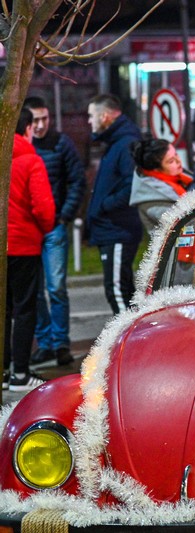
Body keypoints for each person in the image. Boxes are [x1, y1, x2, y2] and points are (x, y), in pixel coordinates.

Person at [22, 96, 86, 367]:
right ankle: (45, 342)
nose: (40, 125)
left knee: (56, 287)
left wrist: (64, 216)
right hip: (29, 227)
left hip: (54, 226)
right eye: (35, 120)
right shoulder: (21, 146)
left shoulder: (60, 143)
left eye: (44, 118)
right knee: (35, 290)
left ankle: (60, 343)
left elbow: (76, 180)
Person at [4, 108, 56, 391]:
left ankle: (3, 370)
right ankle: (20, 373)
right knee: (25, 309)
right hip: (24, 244)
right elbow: (44, 208)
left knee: (3, 308)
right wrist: (46, 227)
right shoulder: (30, 161)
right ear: (26, 130)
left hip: (3, 244)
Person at [86, 94, 143, 315]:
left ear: (105, 116)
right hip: (113, 229)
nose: (89, 121)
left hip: (118, 229)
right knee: (124, 292)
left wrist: (104, 205)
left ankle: (126, 345)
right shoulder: (116, 142)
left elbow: (131, 186)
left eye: (91, 116)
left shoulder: (125, 143)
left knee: (117, 292)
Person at [129, 138, 194, 234]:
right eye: (171, 161)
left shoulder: (180, 177)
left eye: (176, 154)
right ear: (155, 170)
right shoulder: (152, 200)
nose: (179, 161)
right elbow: (188, 223)